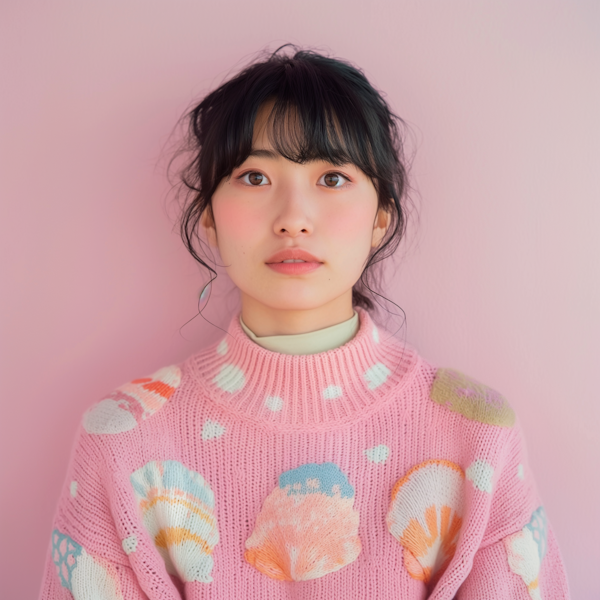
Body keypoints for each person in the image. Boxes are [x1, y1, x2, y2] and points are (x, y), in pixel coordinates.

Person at [40, 45, 570, 599]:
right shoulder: (124, 440)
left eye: (333, 178)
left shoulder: (475, 433)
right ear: (211, 220)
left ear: (380, 217)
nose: (293, 218)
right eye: (253, 177)